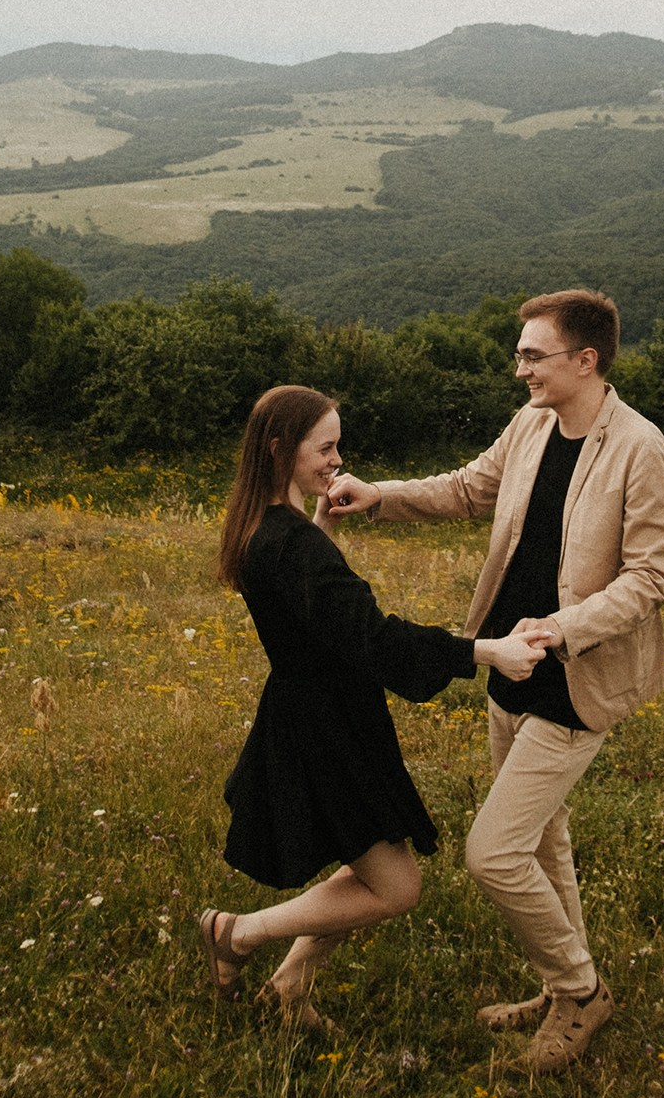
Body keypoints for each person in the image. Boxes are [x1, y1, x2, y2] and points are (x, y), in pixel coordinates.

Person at [325, 289, 664, 1074]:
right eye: (520, 353)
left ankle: (580, 995)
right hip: (508, 662)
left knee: (494, 853)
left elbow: (652, 576)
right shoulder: (531, 425)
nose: (518, 367)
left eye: (533, 355)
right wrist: (379, 496)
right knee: (543, 835)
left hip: (576, 675)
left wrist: (565, 628)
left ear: (585, 361)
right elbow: (467, 488)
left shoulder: (641, 449)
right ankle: (563, 987)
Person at [198, 383, 548, 1027]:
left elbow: (319, 616)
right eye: (324, 447)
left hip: (323, 714)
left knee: (367, 864)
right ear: (280, 449)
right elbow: (373, 637)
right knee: (395, 885)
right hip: (326, 728)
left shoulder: (270, 529)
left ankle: (290, 986)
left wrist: (323, 529)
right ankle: (237, 933)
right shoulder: (289, 543)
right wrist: (486, 651)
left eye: (338, 445)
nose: (337, 459)